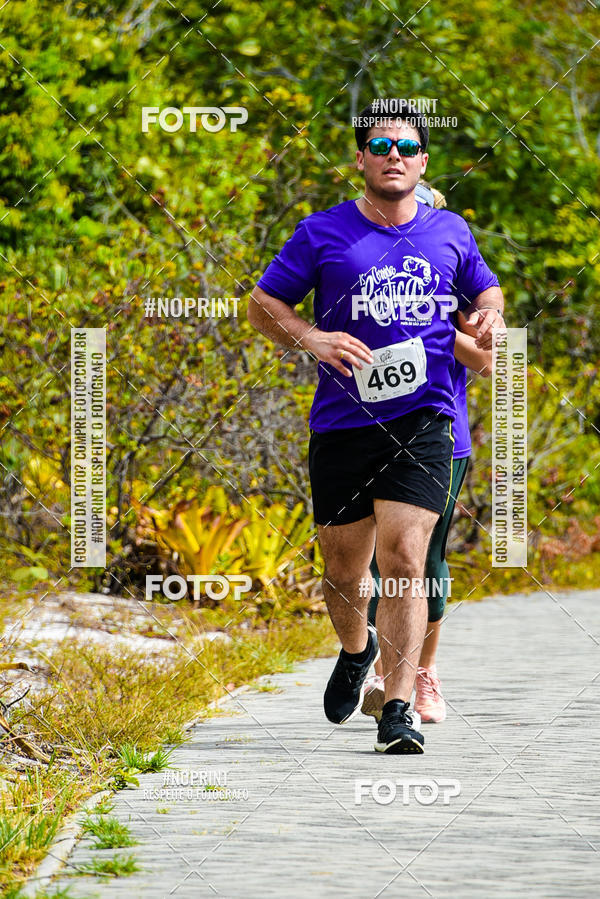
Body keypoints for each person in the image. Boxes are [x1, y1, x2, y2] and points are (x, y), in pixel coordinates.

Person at [248, 100, 504, 753]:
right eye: (381, 143)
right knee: (343, 573)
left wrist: (489, 320)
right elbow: (262, 304)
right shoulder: (321, 232)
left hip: (425, 418)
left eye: (407, 146)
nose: (395, 154)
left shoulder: (451, 231)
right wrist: (312, 336)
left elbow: (487, 293)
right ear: (361, 158)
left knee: (407, 561)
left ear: (422, 161)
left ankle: (398, 707)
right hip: (342, 423)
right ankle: (355, 649)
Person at [361, 180, 494, 726]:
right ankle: (375, 669)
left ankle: (421, 676)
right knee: (371, 560)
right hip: (362, 428)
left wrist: (436, 334)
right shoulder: (364, 274)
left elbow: (485, 359)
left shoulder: (451, 277)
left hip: (440, 435)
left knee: (421, 561)